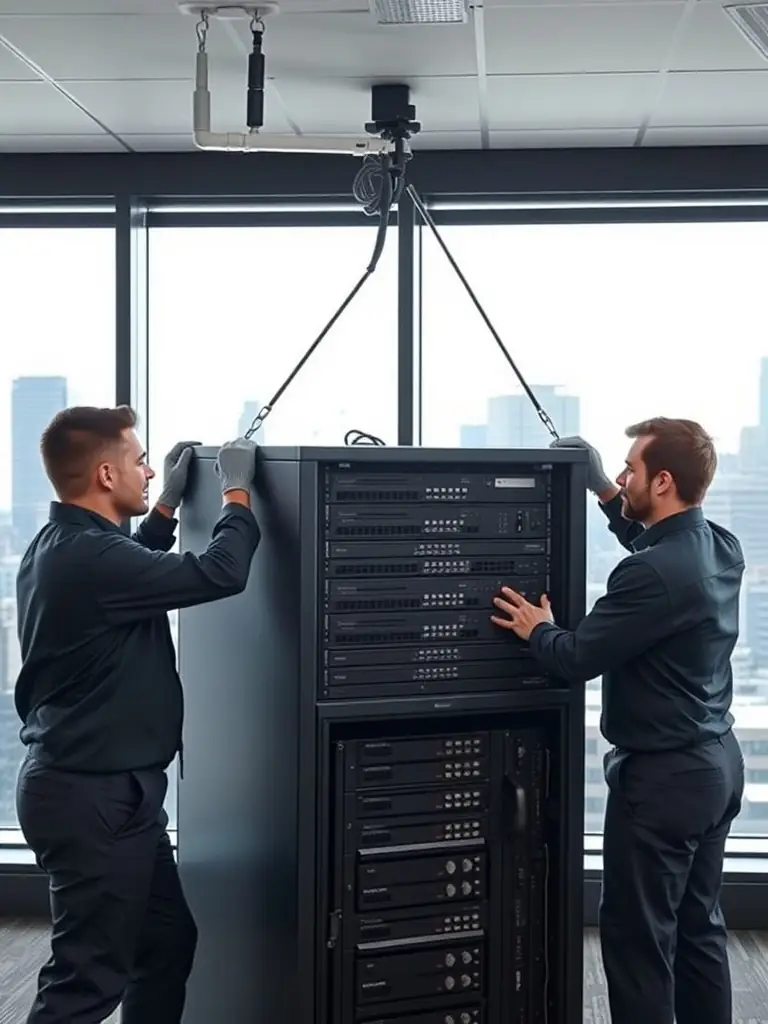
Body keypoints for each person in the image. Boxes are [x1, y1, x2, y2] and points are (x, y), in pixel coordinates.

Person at [490, 418, 745, 1024]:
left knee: (638, 944)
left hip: (662, 784)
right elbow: (659, 556)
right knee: (699, 930)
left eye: (631, 469)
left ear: (663, 481)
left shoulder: (649, 573)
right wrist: (604, 489)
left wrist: (537, 629)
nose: (623, 476)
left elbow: (576, 658)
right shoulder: (720, 546)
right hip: (716, 767)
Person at [14, 405, 261, 1024]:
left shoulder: (65, 545)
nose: (149, 472)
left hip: (112, 795)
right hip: (93, 797)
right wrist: (237, 493)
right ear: (105, 474)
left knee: (164, 945)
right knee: (85, 981)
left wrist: (167, 508)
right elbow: (221, 572)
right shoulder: (91, 558)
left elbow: (132, 567)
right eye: (140, 461)